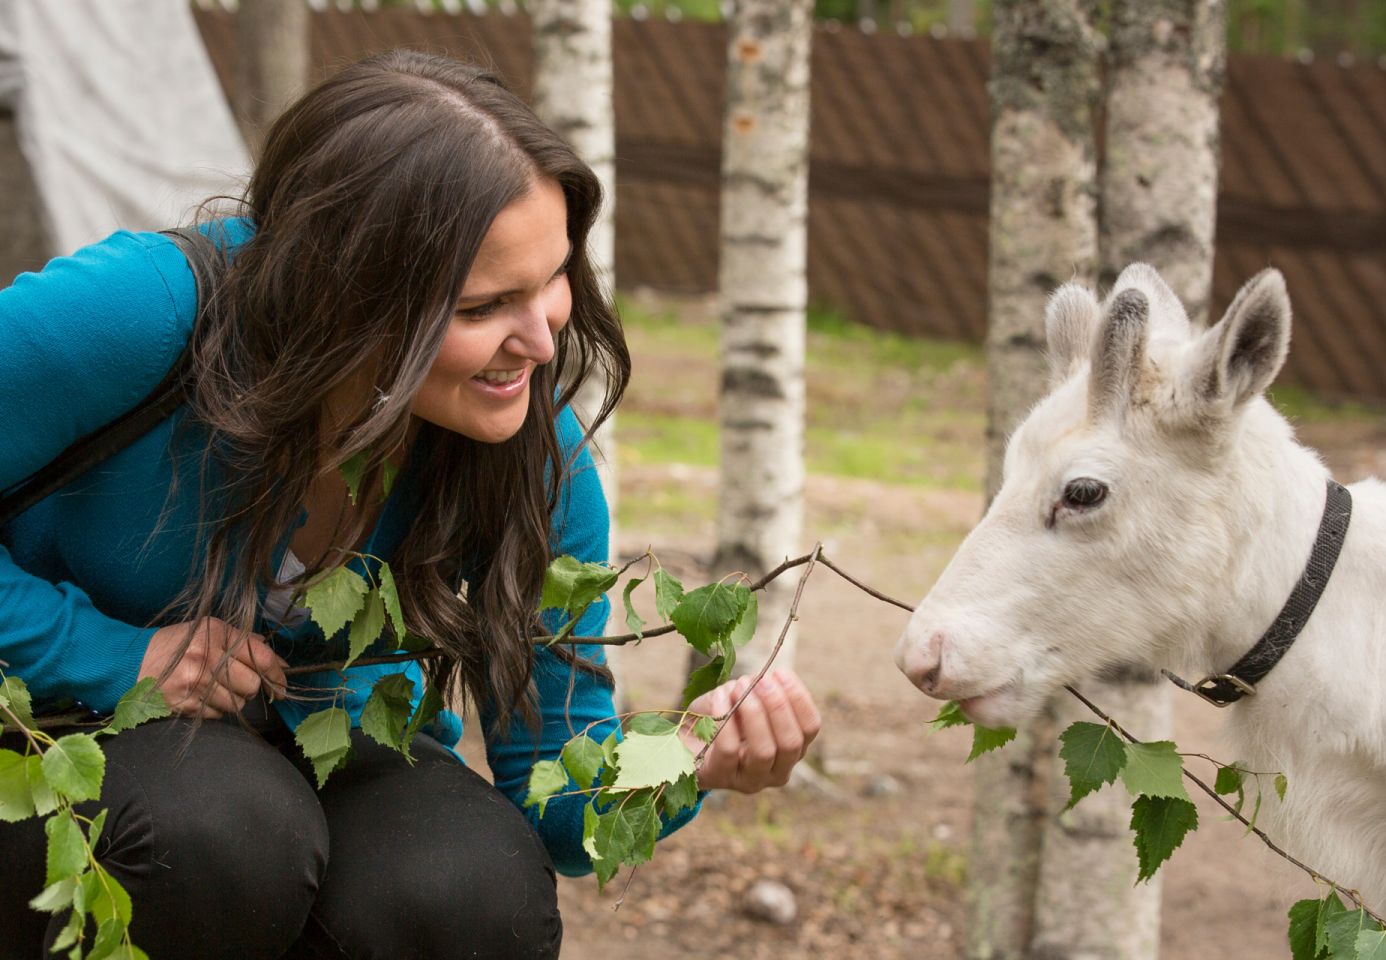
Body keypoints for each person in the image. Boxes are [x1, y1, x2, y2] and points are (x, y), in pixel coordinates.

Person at [0, 50, 821, 960]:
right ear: (348, 296)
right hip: (55, 728)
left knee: (469, 889)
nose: (545, 341)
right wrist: (106, 653)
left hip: (326, 748)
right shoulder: (144, 312)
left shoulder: (531, 452)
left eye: (552, 278)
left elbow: (556, 803)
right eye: (485, 306)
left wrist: (688, 758)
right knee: (222, 832)